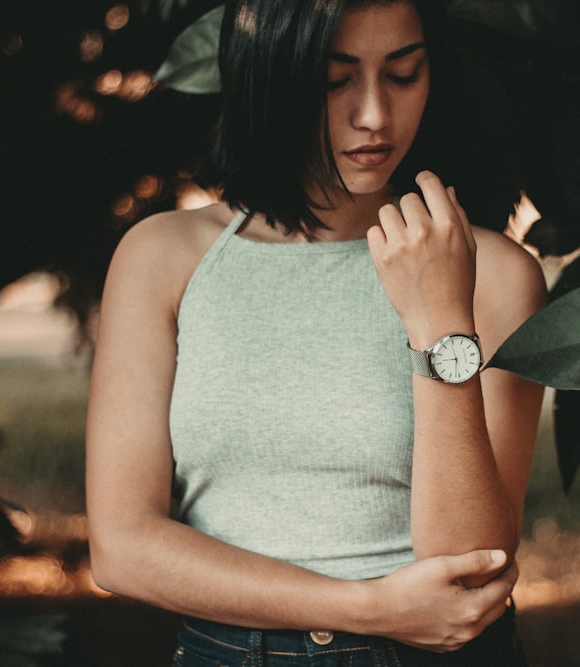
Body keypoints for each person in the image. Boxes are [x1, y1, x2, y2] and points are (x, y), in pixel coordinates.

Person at [85, 0, 547, 664]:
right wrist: (363, 606)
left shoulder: (496, 274)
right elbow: (122, 547)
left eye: (404, 73)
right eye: (335, 81)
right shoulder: (164, 258)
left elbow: (466, 569)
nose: (374, 115)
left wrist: (439, 320)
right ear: (270, 76)